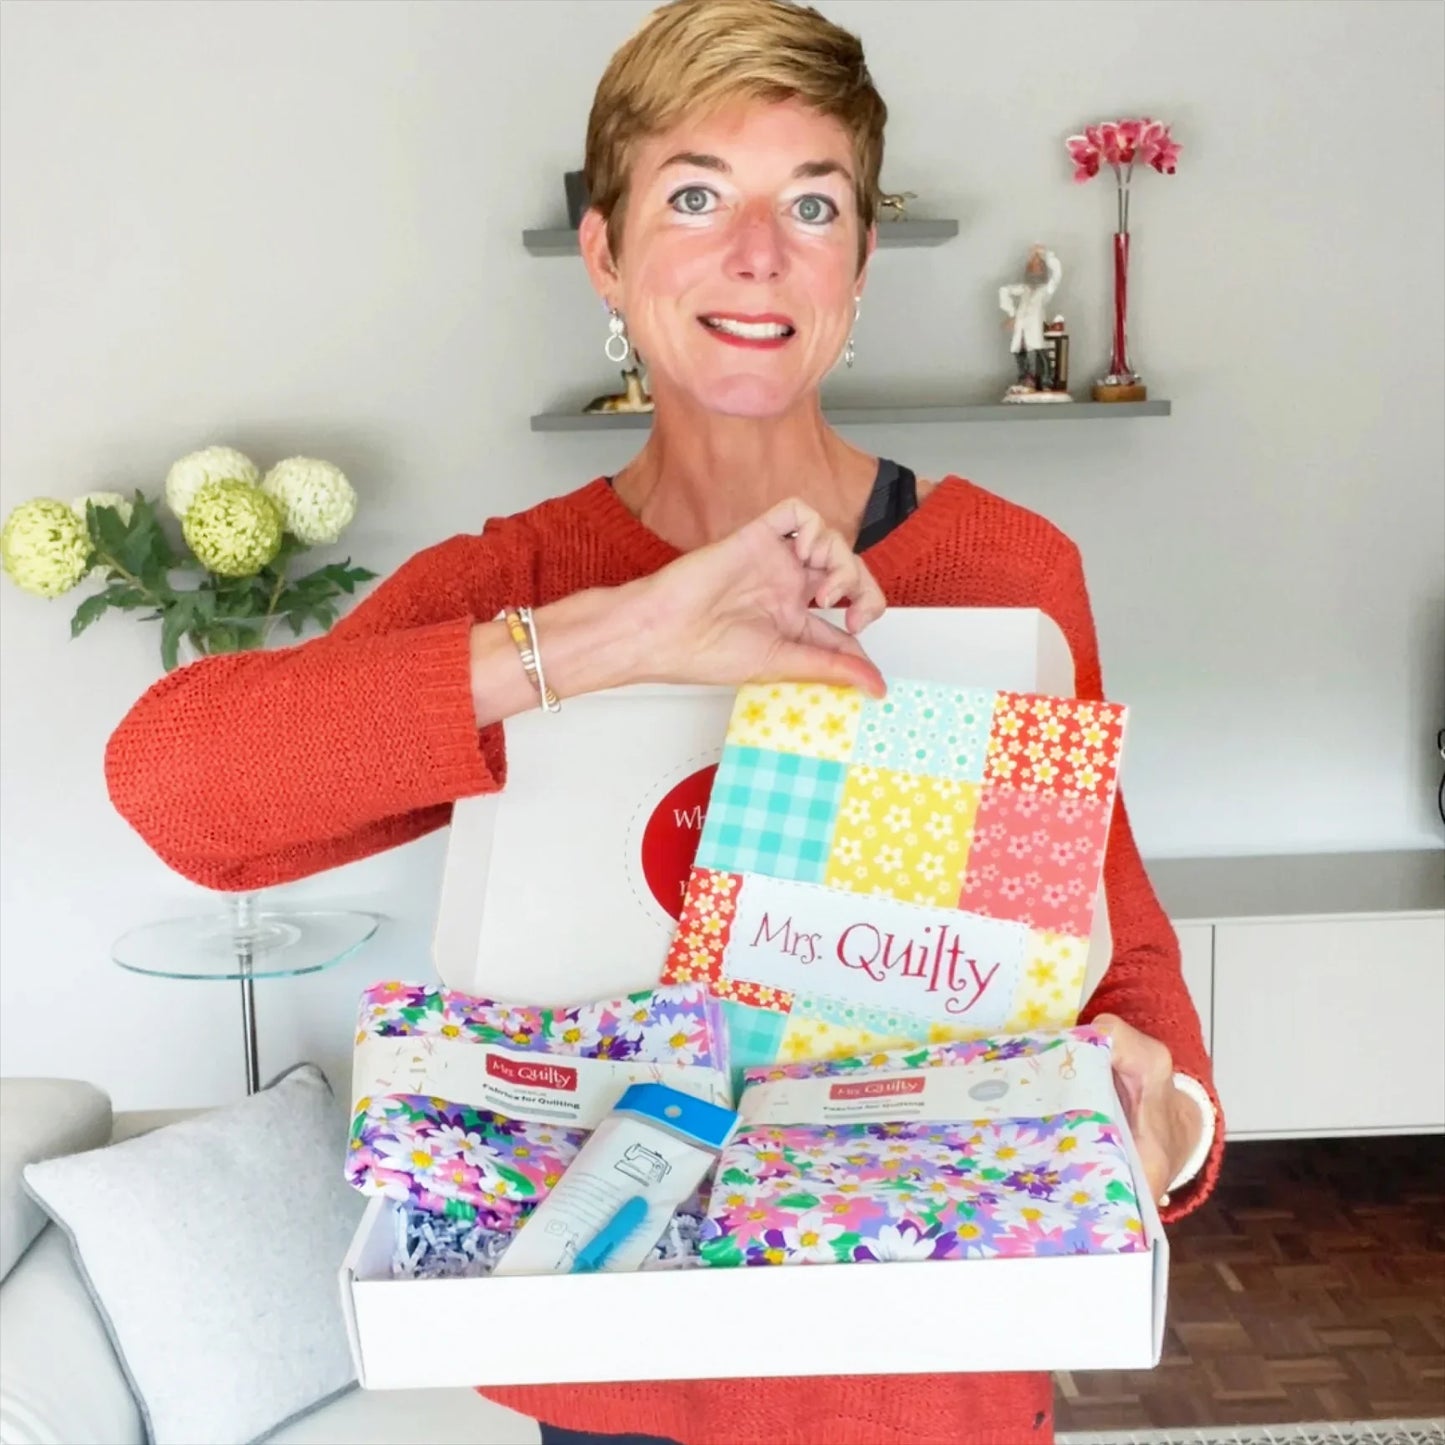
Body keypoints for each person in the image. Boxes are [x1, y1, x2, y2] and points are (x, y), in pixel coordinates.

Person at [103, 3, 1223, 1442]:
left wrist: (1164, 1118)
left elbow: (1113, 951)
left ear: (860, 266)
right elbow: (179, 793)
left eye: (812, 202)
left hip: (930, 1361)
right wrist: (624, 633)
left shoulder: (1004, 571)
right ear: (608, 259)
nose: (757, 251)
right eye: (694, 196)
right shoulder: (513, 589)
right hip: (619, 1360)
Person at [1000, 244, 1063, 393]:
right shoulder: (1024, 289)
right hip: (1021, 326)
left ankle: (1047, 381)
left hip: (1034, 326)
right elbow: (1004, 290)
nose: (1036, 269)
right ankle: (1025, 379)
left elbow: (1058, 273)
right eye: (1033, 266)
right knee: (1019, 351)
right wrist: (1011, 314)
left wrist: (1044, 253)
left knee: (1040, 352)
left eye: (1039, 266)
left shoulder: (1045, 290)